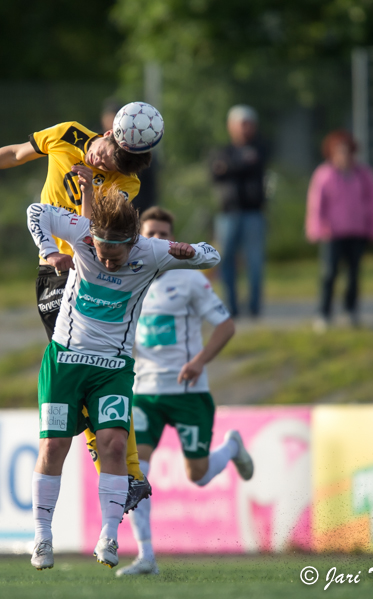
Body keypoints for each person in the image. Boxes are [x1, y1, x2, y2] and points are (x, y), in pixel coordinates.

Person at [0, 120, 153, 512]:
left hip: (86, 278)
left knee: (90, 366)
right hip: (50, 273)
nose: (100, 162)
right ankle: (130, 476)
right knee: (85, 366)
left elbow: (95, 235)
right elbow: (16, 153)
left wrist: (92, 186)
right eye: (104, 154)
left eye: (111, 166)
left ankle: (128, 474)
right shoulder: (68, 133)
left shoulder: (126, 185)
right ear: (108, 133)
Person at [25, 185, 220, 571]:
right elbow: (35, 211)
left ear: (133, 242)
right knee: (54, 447)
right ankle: (42, 538)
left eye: (117, 257)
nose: (109, 264)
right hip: (65, 359)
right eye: (102, 255)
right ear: (92, 240)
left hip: (112, 367)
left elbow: (211, 255)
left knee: (114, 446)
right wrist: (49, 251)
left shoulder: (151, 251)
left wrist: (190, 252)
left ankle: (109, 535)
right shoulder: (81, 231)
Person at [115, 207, 253, 577]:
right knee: (135, 476)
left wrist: (200, 362)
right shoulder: (128, 277)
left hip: (189, 391)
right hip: (146, 393)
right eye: (151, 234)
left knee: (199, 475)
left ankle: (232, 448)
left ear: (173, 238)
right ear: (139, 237)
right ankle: (146, 556)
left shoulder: (191, 279)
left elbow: (225, 326)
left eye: (164, 234)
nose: (158, 240)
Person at [306, 130, 373, 331]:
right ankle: (323, 313)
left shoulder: (363, 174)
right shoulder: (324, 174)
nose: (344, 156)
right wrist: (315, 229)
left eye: (347, 152)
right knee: (329, 273)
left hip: (357, 231)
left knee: (353, 274)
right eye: (339, 152)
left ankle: (351, 310)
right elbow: (316, 204)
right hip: (332, 232)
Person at [210, 105, 269, 318]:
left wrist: (229, 167)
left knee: (254, 261)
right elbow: (215, 173)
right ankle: (231, 307)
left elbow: (233, 169)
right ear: (231, 126)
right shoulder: (222, 150)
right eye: (241, 124)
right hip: (228, 213)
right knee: (226, 261)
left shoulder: (260, 148)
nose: (245, 129)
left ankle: (254, 307)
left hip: (253, 213)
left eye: (249, 124)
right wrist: (239, 164)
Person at [101, 98, 158, 213]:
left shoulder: (139, 149)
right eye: (108, 118)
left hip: (136, 208)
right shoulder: (97, 145)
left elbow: (150, 187)